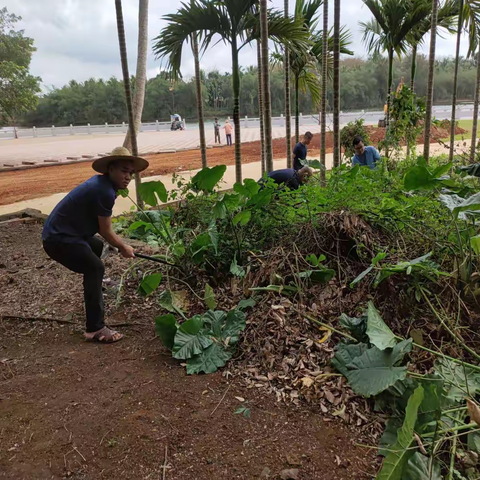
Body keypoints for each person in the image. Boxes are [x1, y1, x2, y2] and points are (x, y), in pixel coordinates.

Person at [42, 147, 149, 344]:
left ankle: (96, 285)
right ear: (110, 169)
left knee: (97, 247)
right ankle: (95, 328)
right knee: (95, 267)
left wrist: (116, 244)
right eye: (124, 171)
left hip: (67, 233)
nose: (128, 177)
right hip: (58, 239)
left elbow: (102, 231)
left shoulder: (103, 185)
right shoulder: (104, 191)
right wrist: (124, 247)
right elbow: (106, 230)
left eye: (131, 173)